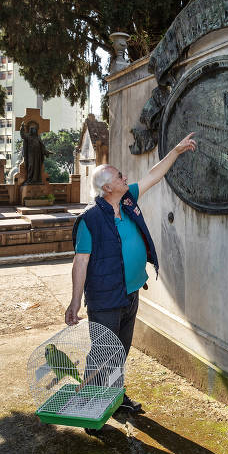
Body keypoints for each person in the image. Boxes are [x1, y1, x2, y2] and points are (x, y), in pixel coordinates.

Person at [65, 132, 197, 414]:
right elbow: (81, 262)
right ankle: (90, 407)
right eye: (119, 176)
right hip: (105, 299)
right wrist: (75, 301)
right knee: (103, 354)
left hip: (131, 291)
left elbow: (153, 175)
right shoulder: (90, 219)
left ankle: (115, 396)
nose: (125, 178)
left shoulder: (127, 202)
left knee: (121, 350)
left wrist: (175, 150)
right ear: (106, 187)